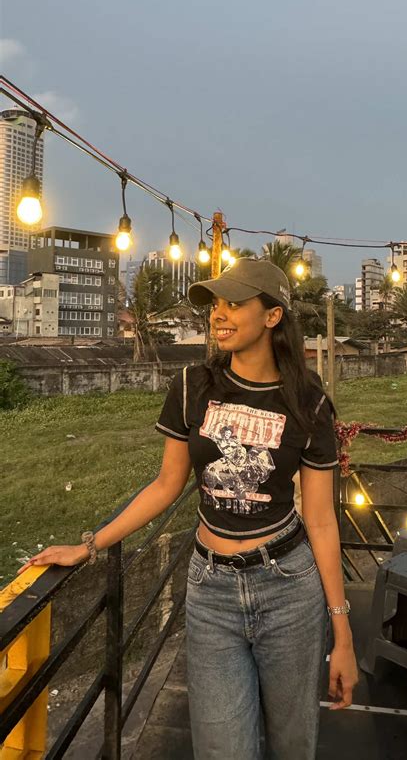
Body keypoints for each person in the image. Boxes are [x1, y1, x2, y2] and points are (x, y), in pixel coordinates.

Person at [18, 257, 358, 759]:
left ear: (272, 316)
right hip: (210, 590)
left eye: (234, 303)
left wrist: (342, 633)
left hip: (288, 588)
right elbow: (165, 485)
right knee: (221, 749)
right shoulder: (192, 386)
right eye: (215, 304)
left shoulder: (309, 403)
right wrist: (89, 546)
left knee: (293, 745)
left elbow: (322, 520)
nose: (219, 314)